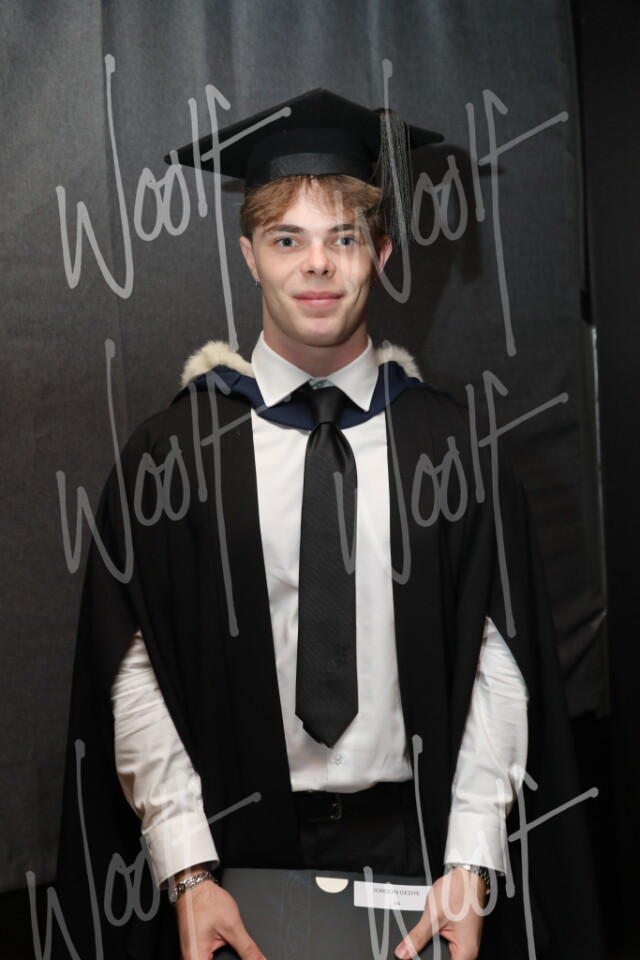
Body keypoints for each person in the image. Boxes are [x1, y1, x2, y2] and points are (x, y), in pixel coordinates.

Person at [54, 90, 603, 960]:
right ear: (248, 255)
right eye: (287, 240)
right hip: (233, 860)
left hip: (418, 856)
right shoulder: (175, 455)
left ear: (380, 253)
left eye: (343, 238)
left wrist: (470, 859)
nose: (316, 265)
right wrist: (188, 870)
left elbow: (498, 663)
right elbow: (133, 671)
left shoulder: (451, 448)